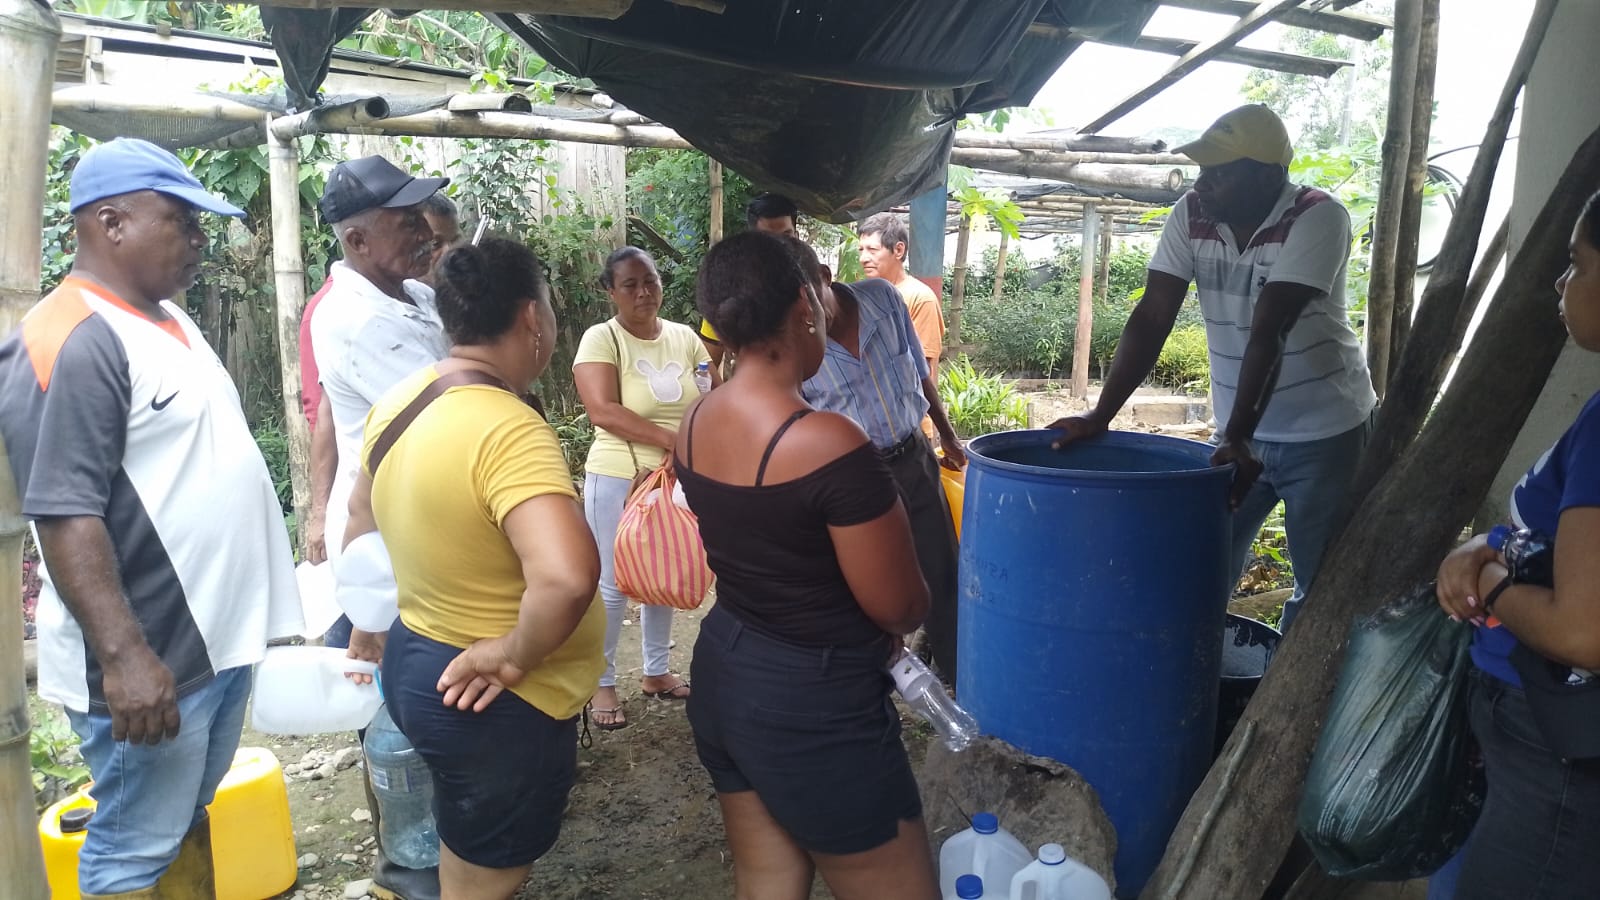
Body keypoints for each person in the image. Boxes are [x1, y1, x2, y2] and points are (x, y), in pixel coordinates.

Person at [0, 137, 303, 898]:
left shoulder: (164, 317)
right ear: (111, 222)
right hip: (154, 656)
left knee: (180, 821)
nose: (199, 240)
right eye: (183, 222)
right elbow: (65, 511)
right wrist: (126, 658)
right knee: (131, 853)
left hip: (214, 641)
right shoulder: (71, 338)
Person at [342, 237, 605, 900]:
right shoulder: (506, 428)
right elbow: (566, 577)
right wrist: (514, 655)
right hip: (490, 695)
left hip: (417, 664)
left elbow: (359, 519)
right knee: (489, 877)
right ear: (532, 318)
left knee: (465, 849)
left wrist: (369, 623)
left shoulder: (403, 400)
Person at [678, 230, 938, 900]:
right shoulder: (829, 442)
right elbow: (900, 607)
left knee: (768, 883)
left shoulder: (695, 420)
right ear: (804, 304)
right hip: (814, 703)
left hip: (727, 672)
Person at [1049, 104, 1376, 633]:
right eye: (1203, 170)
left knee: (1322, 584)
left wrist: (1239, 437)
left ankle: (1296, 679)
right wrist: (1100, 415)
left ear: (1268, 176)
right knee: (1202, 563)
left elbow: (1271, 328)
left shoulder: (1318, 216)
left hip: (1324, 433)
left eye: (1220, 173)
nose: (1203, 183)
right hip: (1236, 432)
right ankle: (1199, 667)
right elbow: (1154, 315)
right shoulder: (1192, 214)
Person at [1431, 191, 1600, 899]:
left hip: (1555, 741)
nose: (1562, 283)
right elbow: (1562, 537)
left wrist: (1491, 583)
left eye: (1578, 263)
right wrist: (1485, 543)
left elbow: (1583, 632)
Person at [310, 154, 451, 899]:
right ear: (358, 240)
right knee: (401, 711)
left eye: (423, 218)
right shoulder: (356, 319)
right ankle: (411, 857)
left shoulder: (412, 295)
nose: (426, 233)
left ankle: (430, 845)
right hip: (384, 547)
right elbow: (450, 411)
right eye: (406, 224)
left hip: (418, 532)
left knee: (420, 700)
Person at [800, 260, 965, 683]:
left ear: (825, 276)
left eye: (812, 300)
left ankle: (957, 676)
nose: (809, 317)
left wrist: (947, 435)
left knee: (941, 570)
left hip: (914, 457)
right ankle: (871, 681)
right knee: (865, 583)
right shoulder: (796, 340)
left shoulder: (883, 298)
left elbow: (920, 371)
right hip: (854, 477)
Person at [574, 246, 714, 729]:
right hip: (620, 474)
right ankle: (603, 682)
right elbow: (603, 411)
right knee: (614, 583)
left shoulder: (685, 338)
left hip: (679, 477)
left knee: (664, 570)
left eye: (650, 280)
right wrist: (671, 441)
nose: (643, 292)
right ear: (610, 292)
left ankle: (656, 671)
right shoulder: (602, 338)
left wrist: (688, 448)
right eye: (629, 285)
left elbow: (711, 396)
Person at [700, 192, 802, 369]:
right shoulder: (729, 293)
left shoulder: (814, 287)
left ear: (797, 236)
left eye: (786, 236)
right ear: (752, 240)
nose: (780, 246)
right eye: (768, 238)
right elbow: (706, 367)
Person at [858, 212, 945, 372]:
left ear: (898, 250)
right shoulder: (862, 297)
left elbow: (921, 368)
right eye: (861, 250)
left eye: (872, 250)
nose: (863, 258)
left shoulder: (920, 298)